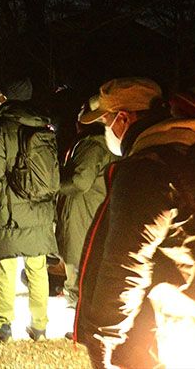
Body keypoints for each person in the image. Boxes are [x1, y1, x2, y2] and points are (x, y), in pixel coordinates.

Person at [74, 77, 195, 368]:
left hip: (163, 336)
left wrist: (103, 337)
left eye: (106, 122)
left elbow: (127, 263)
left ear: (123, 119)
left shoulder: (145, 171)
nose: (106, 131)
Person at [0, 78, 58, 343]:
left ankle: (3, 324)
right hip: (40, 211)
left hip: (9, 211)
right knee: (37, 270)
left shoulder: (1, 127)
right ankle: (40, 326)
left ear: (6, 97)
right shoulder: (44, 126)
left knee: (6, 268)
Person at [55, 96, 119, 310]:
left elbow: (79, 181)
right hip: (92, 210)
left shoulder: (92, 145)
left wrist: (52, 183)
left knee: (78, 267)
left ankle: (77, 324)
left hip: (83, 213)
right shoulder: (105, 144)